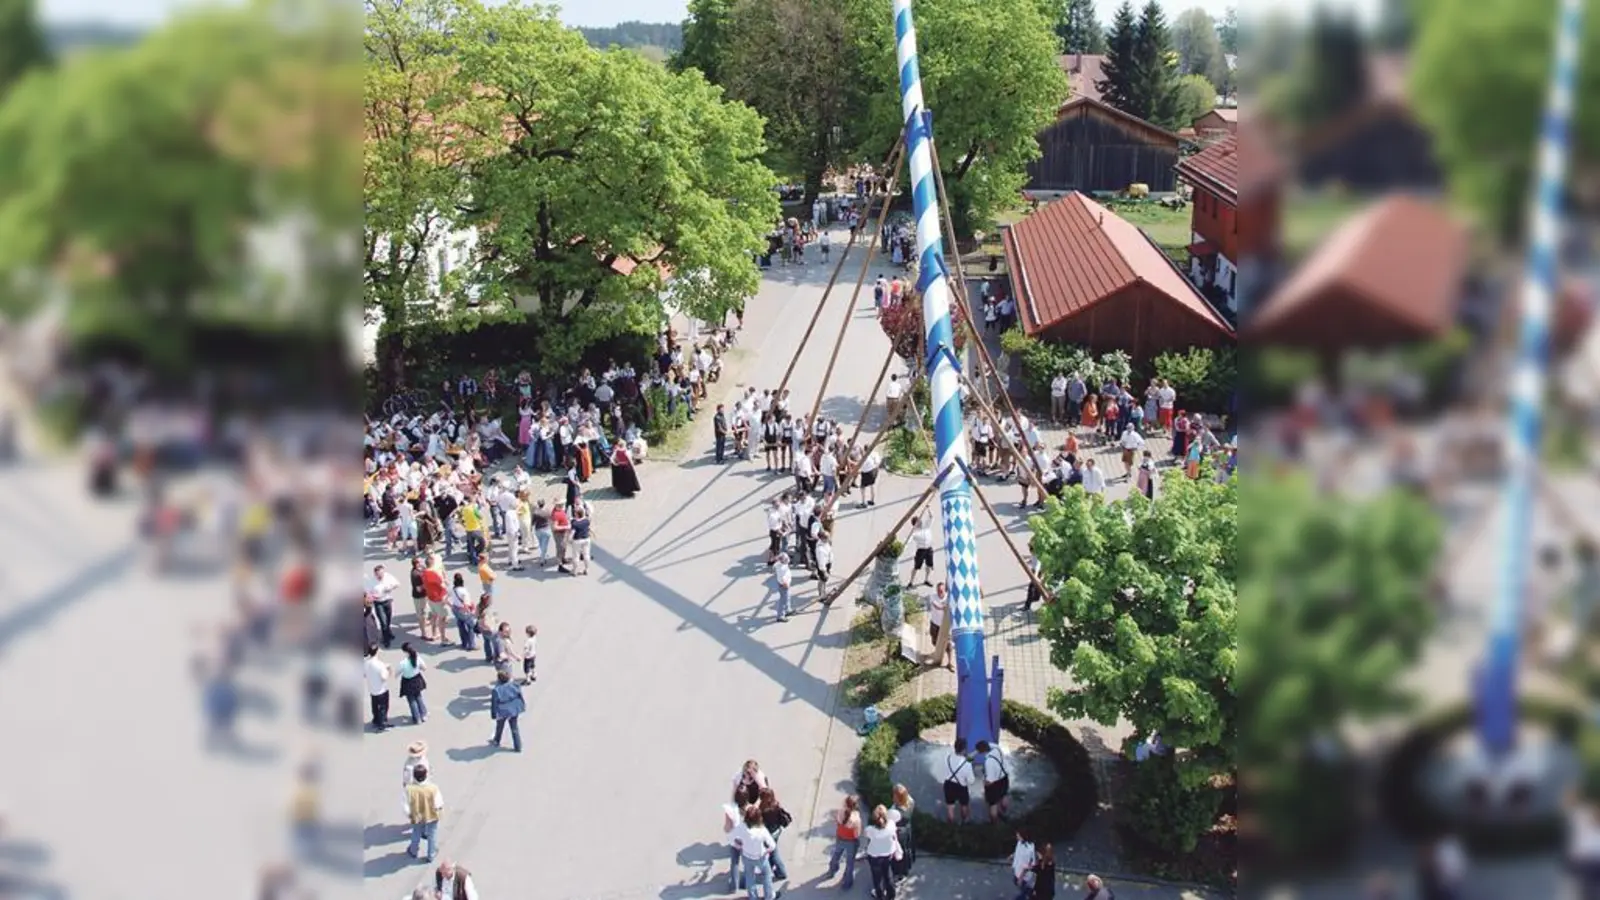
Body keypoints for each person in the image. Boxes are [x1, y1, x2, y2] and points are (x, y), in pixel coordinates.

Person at [732, 803, 778, 900]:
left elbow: (733, 840)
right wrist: (767, 851)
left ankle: (753, 897)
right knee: (766, 875)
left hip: (747, 856)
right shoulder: (761, 830)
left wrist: (740, 846)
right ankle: (769, 896)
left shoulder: (741, 827)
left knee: (750, 877)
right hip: (760, 856)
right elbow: (772, 845)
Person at [405, 764, 444, 862]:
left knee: (416, 832)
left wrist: (409, 814)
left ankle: (413, 850)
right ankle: (431, 854)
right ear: (426, 775)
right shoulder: (433, 788)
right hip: (431, 815)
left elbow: (405, 804)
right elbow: (438, 803)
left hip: (417, 816)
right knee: (432, 834)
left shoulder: (409, 789)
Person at [863, 804, 902, 900]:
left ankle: (879, 895)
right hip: (888, 854)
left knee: (877, 877)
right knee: (888, 875)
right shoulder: (891, 825)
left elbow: (865, 835)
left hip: (874, 856)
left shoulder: (870, 830)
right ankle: (891, 895)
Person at [826, 795, 862, 890]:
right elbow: (857, 833)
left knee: (837, 853)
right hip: (851, 841)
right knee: (850, 862)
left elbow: (837, 822)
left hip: (840, 837)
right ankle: (847, 882)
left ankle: (832, 869)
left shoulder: (841, 812)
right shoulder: (856, 818)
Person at [757, 787, 793, 882]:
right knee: (773, 851)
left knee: (773, 853)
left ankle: (782, 872)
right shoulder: (776, 805)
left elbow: (760, 824)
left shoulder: (762, 810)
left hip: (768, 835)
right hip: (777, 831)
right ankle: (771, 865)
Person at [487, 668, 525, 753]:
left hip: (502, 711)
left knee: (499, 726)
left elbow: (494, 703)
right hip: (514, 709)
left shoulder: (496, 690)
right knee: (514, 727)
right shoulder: (515, 685)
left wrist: (493, 714)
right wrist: (522, 705)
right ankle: (518, 746)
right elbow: (520, 695)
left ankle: (497, 741)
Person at [942, 738, 975, 823]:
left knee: (950, 807)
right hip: (961, 788)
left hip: (948, 785)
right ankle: (964, 821)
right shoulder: (967, 763)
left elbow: (944, 771)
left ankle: (951, 825)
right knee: (964, 806)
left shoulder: (948, 757)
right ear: (964, 749)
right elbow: (971, 781)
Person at [978, 739, 1011, 820]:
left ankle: (994, 824)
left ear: (983, 751)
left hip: (994, 784)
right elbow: (987, 744)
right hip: (1004, 778)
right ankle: (1004, 813)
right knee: (1004, 795)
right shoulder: (996, 748)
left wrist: (984, 786)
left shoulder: (989, 762)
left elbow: (990, 780)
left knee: (993, 804)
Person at [397, 642, 429, 725]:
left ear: (405, 652)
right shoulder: (417, 658)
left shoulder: (403, 663)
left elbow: (397, 673)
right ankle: (424, 714)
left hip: (407, 681)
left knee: (411, 700)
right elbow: (424, 668)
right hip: (417, 679)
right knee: (418, 696)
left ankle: (417, 718)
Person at [364, 644, 392, 732]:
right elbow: (384, 677)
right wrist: (388, 670)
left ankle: (376, 720)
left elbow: (364, 674)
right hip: (381, 689)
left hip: (372, 688)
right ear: (377, 651)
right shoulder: (380, 664)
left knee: (374, 706)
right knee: (383, 707)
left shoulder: (366, 663)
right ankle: (382, 723)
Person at [907, 517, 935, 588]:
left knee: (929, 565)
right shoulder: (915, 532)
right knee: (916, 567)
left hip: (929, 549)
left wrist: (928, 509)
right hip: (921, 551)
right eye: (918, 522)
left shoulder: (926, 526)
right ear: (915, 524)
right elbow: (908, 541)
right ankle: (911, 582)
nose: (920, 522)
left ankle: (926, 580)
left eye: (920, 521)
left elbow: (931, 517)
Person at [1011, 827, 1037, 900]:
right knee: (1023, 887)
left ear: (1023, 836)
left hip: (1024, 875)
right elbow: (1018, 852)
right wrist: (1012, 855)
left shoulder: (1029, 849)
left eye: (1018, 835)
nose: (1017, 837)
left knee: (1023, 893)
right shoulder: (1019, 843)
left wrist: (1021, 877)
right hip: (1018, 871)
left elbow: (1027, 866)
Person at [772, 552, 793, 623]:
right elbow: (782, 578)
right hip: (784, 585)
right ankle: (780, 616)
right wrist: (785, 584)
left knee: (787, 597)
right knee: (783, 600)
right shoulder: (781, 568)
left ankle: (788, 610)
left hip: (784, 584)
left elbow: (774, 565)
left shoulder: (779, 564)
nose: (788, 560)